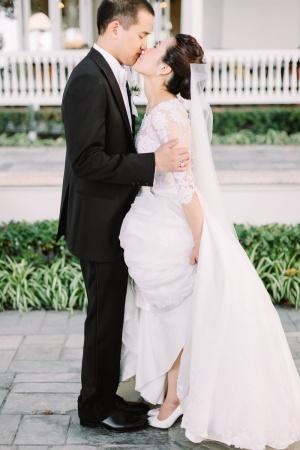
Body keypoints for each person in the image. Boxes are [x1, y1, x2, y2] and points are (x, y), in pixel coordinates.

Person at [119, 33, 300, 449]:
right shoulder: (163, 108)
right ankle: (173, 393)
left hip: (172, 227)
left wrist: (202, 239)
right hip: (156, 219)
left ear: (165, 68)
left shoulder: (168, 116)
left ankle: (176, 397)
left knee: (182, 315)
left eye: (154, 45)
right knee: (174, 314)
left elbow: (184, 186)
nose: (145, 47)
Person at [56, 0, 191, 433]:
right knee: (103, 318)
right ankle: (94, 408)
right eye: (141, 35)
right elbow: (87, 162)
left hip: (113, 221)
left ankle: (107, 394)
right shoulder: (88, 80)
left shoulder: (112, 73)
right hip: (96, 223)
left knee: (113, 314)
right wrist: (154, 164)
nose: (145, 44)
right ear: (115, 28)